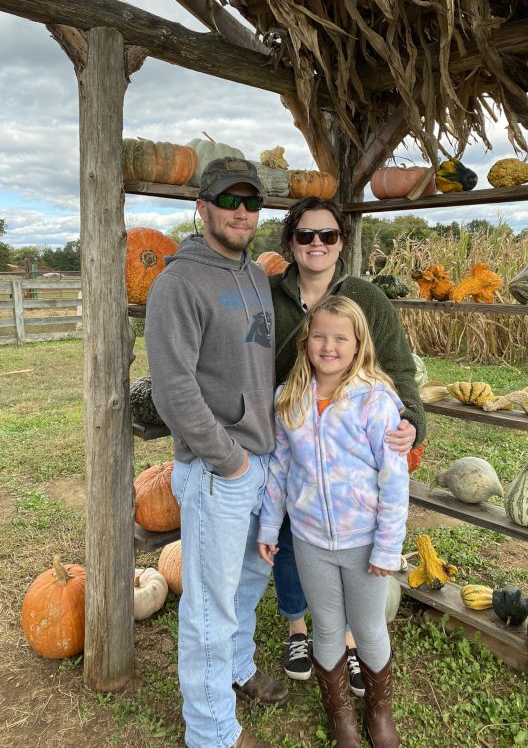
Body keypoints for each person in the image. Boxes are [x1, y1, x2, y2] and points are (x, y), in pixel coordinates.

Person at [145, 157, 288, 748]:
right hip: (216, 470)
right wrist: (226, 460)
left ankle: (237, 667)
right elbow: (173, 387)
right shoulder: (179, 283)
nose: (241, 211)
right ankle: (210, 731)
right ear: (201, 207)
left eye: (250, 202)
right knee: (208, 605)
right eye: (227, 200)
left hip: (259, 461)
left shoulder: (255, 275)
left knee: (249, 581)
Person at [268, 196, 426, 691]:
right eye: (306, 235)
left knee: (344, 545)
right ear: (291, 243)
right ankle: (299, 629)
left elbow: (397, 366)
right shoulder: (269, 293)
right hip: (291, 419)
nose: (317, 244)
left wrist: (412, 419)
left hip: (344, 436)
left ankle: (351, 647)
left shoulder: (366, 297)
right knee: (294, 540)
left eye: (328, 235)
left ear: (341, 242)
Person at [258, 295, 408, 748]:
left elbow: (394, 480)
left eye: (341, 338)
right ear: (306, 341)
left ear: (358, 343)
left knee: (366, 629)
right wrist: (269, 526)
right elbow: (279, 470)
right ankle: (342, 715)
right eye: (319, 336)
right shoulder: (288, 400)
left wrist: (387, 546)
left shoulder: (375, 402)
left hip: (364, 542)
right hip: (310, 540)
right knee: (325, 627)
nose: (329, 346)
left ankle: (379, 713)